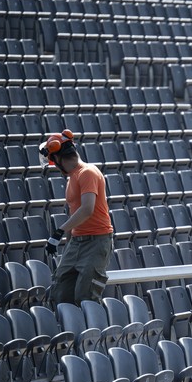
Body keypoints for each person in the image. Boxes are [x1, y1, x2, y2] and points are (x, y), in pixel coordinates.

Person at [39, 129, 114, 306]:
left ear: (58, 158)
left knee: (86, 296)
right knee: (60, 292)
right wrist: (67, 243)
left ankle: (91, 333)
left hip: (96, 241)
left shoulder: (87, 172)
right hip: (77, 242)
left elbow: (87, 209)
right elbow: (75, 213)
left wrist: (58, 232)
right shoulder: (72, 177)